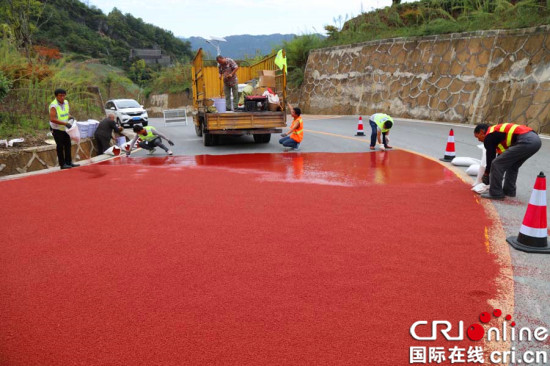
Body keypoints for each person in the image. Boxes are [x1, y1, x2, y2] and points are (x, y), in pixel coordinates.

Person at [474, 123, 541, 200]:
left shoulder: (489, 136)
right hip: (536, 141)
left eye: (477, 136)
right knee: (512, 165)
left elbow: (491, 158)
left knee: (496, 164)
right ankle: (509, 191)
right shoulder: (497, 134)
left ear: (482, 132)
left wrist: (486, 174)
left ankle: (496, 193)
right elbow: (502, 157)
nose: (478, 140)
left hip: (526, 140)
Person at [49, 88, 80, 169]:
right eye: (60, 96)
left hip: (65, 128)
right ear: (56, 96)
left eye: (64, 95)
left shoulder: (66, 102)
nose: (62, 97)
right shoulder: (53, 105)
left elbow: (66, 113)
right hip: (57, 129)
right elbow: (52, 119)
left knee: (68, 145)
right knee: (60, 146)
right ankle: (62, 164)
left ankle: (69, 162)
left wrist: (70, 117)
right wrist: (65, 123)